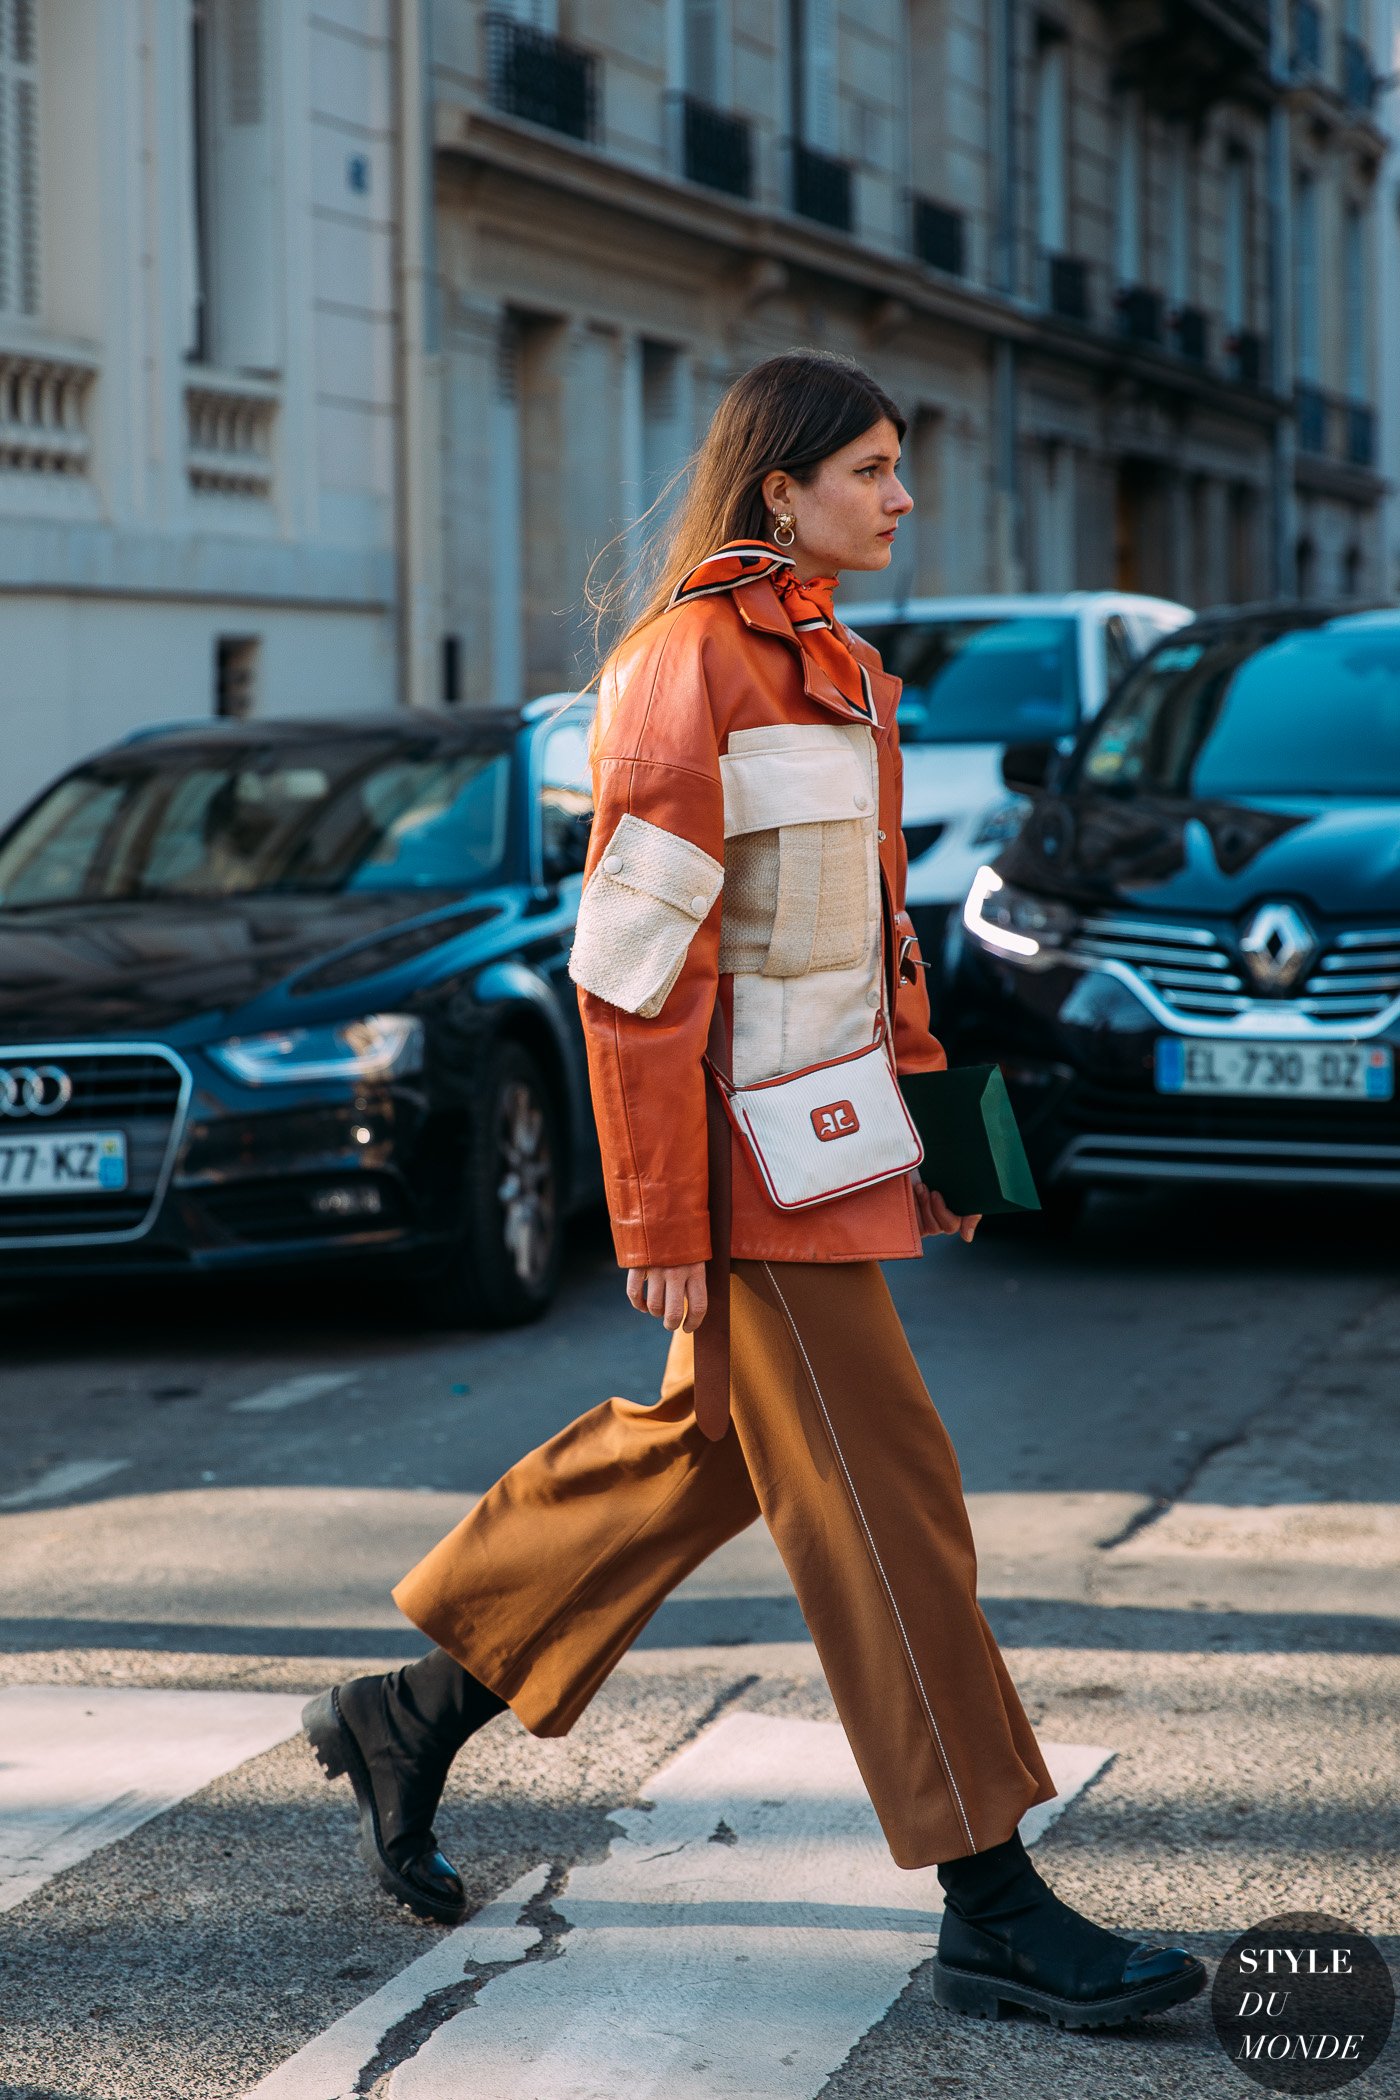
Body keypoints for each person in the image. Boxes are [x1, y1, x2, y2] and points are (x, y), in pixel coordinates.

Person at [304, 350, 1205, 2033]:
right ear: (777, 489)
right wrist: (653, 1219)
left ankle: (409, 1712)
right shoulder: (680, 670)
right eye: (869, 466)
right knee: (891, 1503)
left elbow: (866, 946)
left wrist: (950, 1142)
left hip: (833, 1149)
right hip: (742, 1182)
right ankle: (992, 1904)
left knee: (706, 1454)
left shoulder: (844, 672)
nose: (901, 495)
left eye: (897, 463)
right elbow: (637, 972)